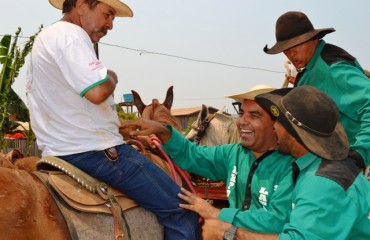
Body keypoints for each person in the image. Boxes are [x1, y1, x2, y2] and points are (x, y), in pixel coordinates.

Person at [26, 0, 200, 239]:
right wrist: (112, 77)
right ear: (81, 5)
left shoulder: (47, 37)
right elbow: (97, 92)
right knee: (184, 209)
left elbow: (70, 107)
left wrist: (115, 127)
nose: (110, 25)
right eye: (107, 14)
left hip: (59, 151)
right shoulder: (72, 35)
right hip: (95, 152)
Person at [120, 85, 296, 237]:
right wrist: (163, 131)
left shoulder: (292, 166)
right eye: (241, 113)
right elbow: (192, 154)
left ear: (276, 123)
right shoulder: (233, 154)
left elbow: (278, 220)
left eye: (254, 116)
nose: (242, 122)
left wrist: (215, 213)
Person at [200, 86, 370, 240]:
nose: (274, 127)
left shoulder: (321, 182)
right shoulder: (320, 166)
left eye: (278, 121)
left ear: (294, 132)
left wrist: (228, 232)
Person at [264, 11, 370, 171]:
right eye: (286, 49)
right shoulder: (308, 72)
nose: (291, 54)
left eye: (296, 46)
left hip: (354, 164)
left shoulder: (334, 68)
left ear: (313, 39)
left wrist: (359, 155)